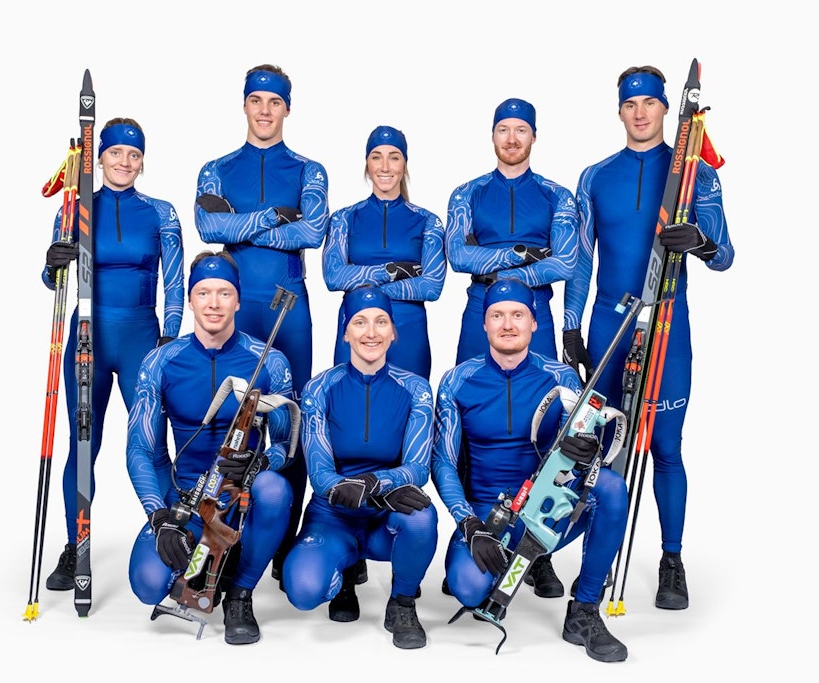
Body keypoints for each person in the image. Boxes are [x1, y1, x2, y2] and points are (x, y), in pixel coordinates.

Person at [561, 65, 735, 611]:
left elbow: (726, 255)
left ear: (666, 109)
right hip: (609, 324)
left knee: (665, 445)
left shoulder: (692, 176)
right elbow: (580, 258)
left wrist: (700, 242)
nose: (640, 113)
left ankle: (672, 559)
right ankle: (599, 558)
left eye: (650, 104)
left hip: (666, 322)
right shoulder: (594, 176)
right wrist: (570, 324)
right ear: (619, 111)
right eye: (630, 104)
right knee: (598, 449)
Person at [431, 279, 630, 663]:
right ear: (484, 324)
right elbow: (443, 462)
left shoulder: (561, 378)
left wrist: (589, 452)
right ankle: (506, 562)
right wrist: (469, 524)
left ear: (534, 323)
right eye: (497, 315)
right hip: (488, 517)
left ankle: (584, 610)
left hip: (546, 508)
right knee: (469, 589)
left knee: (609, 487)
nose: (508, 324)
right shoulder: (457, 380)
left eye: (518, 315)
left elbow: (581, 456)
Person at [194, 64, 329, 580]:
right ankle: (219, 527)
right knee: (230, 414)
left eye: (275, 102)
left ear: (287, 108)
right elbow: (207, 223)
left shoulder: (309, 171)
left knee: (286, 419)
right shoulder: (217, 167)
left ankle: (282, 539)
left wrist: (242, 223)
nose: (266, 110)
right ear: (244, 105)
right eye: (257, 101)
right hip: (231, 302)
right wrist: (277, 217)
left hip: (286, 307)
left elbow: (312, 229)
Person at [41, 117, 185, 591]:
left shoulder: (161, 213)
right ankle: (73, 545)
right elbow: (53, 282)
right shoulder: (75, 208)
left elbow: (175, 280)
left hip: (142, 338)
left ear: (143, 162)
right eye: (116, 152)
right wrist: (51, 264)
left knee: (150, 442)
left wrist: (171, 334)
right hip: (87, 339)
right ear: (98, 156)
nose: (125, 162)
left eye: (135, 155)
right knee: (84, 446)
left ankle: (174, 536)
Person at [125, 251, 296, 645]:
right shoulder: (160, 361)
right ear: (190, 300)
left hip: (244, 494)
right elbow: (139, 449)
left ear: (238, 300)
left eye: (224, 293)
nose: (214, 304)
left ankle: (240, 592)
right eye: (203, 293)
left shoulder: (270, 361)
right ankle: (205, 560)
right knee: (149, 584)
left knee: (275, 490)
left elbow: (288, 443)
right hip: (185, 495)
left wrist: (258, 461)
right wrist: (160, 517)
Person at [283, 286, 438, 650]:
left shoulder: (415, 389)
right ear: (345, 332)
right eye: (360, 322)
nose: (371, 332)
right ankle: (344, 572)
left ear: (394, 332)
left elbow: (417, 468)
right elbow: (319, 469)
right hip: (333, 514)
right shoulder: (320, 387)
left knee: (422, 517)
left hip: (387, 512)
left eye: (381, 322)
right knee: (303, 591)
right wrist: (338, 487)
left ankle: (402, 602)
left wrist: (374, 483)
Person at [444, 97, 578, 367]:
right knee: (469, 398)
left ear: (534, 136)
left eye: (521, 130)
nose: (512, 138)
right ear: (493, 135)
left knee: (542, 400)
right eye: (503, 130)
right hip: (481, 307)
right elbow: (458, 257)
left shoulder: (557, 196)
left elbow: (564, 264)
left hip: (534, 308)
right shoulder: (466, 193)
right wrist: (528, 254)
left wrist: (488, 263)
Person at [322, 125, 446, 381]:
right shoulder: (343, 219)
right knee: (350, 406)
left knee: (408, 407)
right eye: (376, 157)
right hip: (356, 325)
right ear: (367, 164)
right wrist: (395, 272)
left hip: (408, 330)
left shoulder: (427, 221)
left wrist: (361, 283)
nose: (385, 166)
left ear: (404, 164)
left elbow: (431, 286)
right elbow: (333, 277)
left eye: (394, 157)